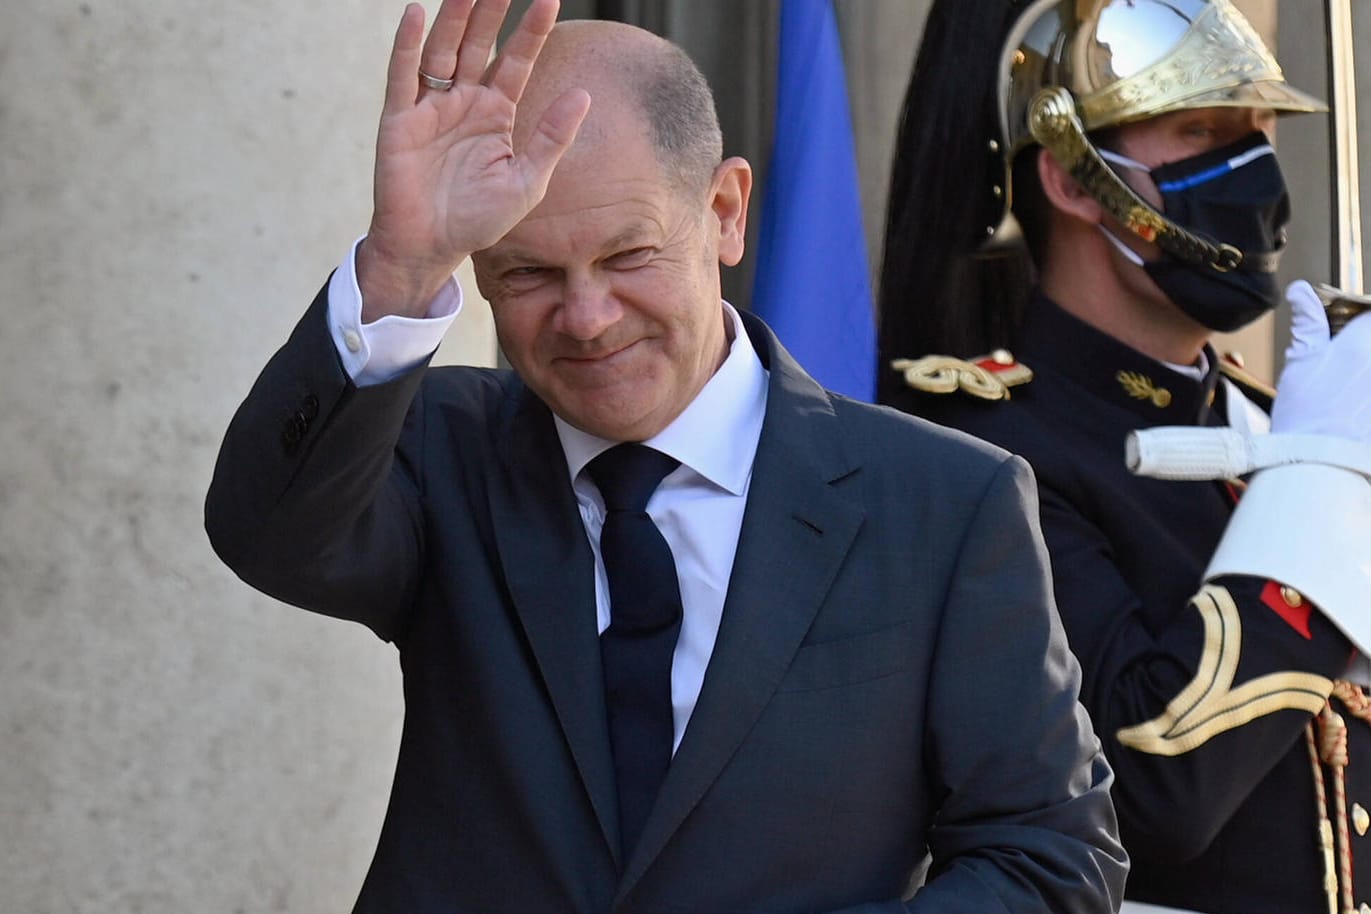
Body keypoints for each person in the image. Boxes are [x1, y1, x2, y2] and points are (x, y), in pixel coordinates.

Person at [205, 0, 1128, 911]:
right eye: (526, 273)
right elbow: (266, 537)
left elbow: (1047, 854)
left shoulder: (943, 501)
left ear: (724, 212)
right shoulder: (431, 448)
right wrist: (400, 267)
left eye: (627, 254)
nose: (587, 318)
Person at [879, 2, 1371, 913]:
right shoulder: (979, 447)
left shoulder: (1285, 425)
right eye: (1199, 132)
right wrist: (1319, 489)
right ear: (1073, 178)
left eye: (1256, 131)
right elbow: (1147, 791)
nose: (1255, 172)